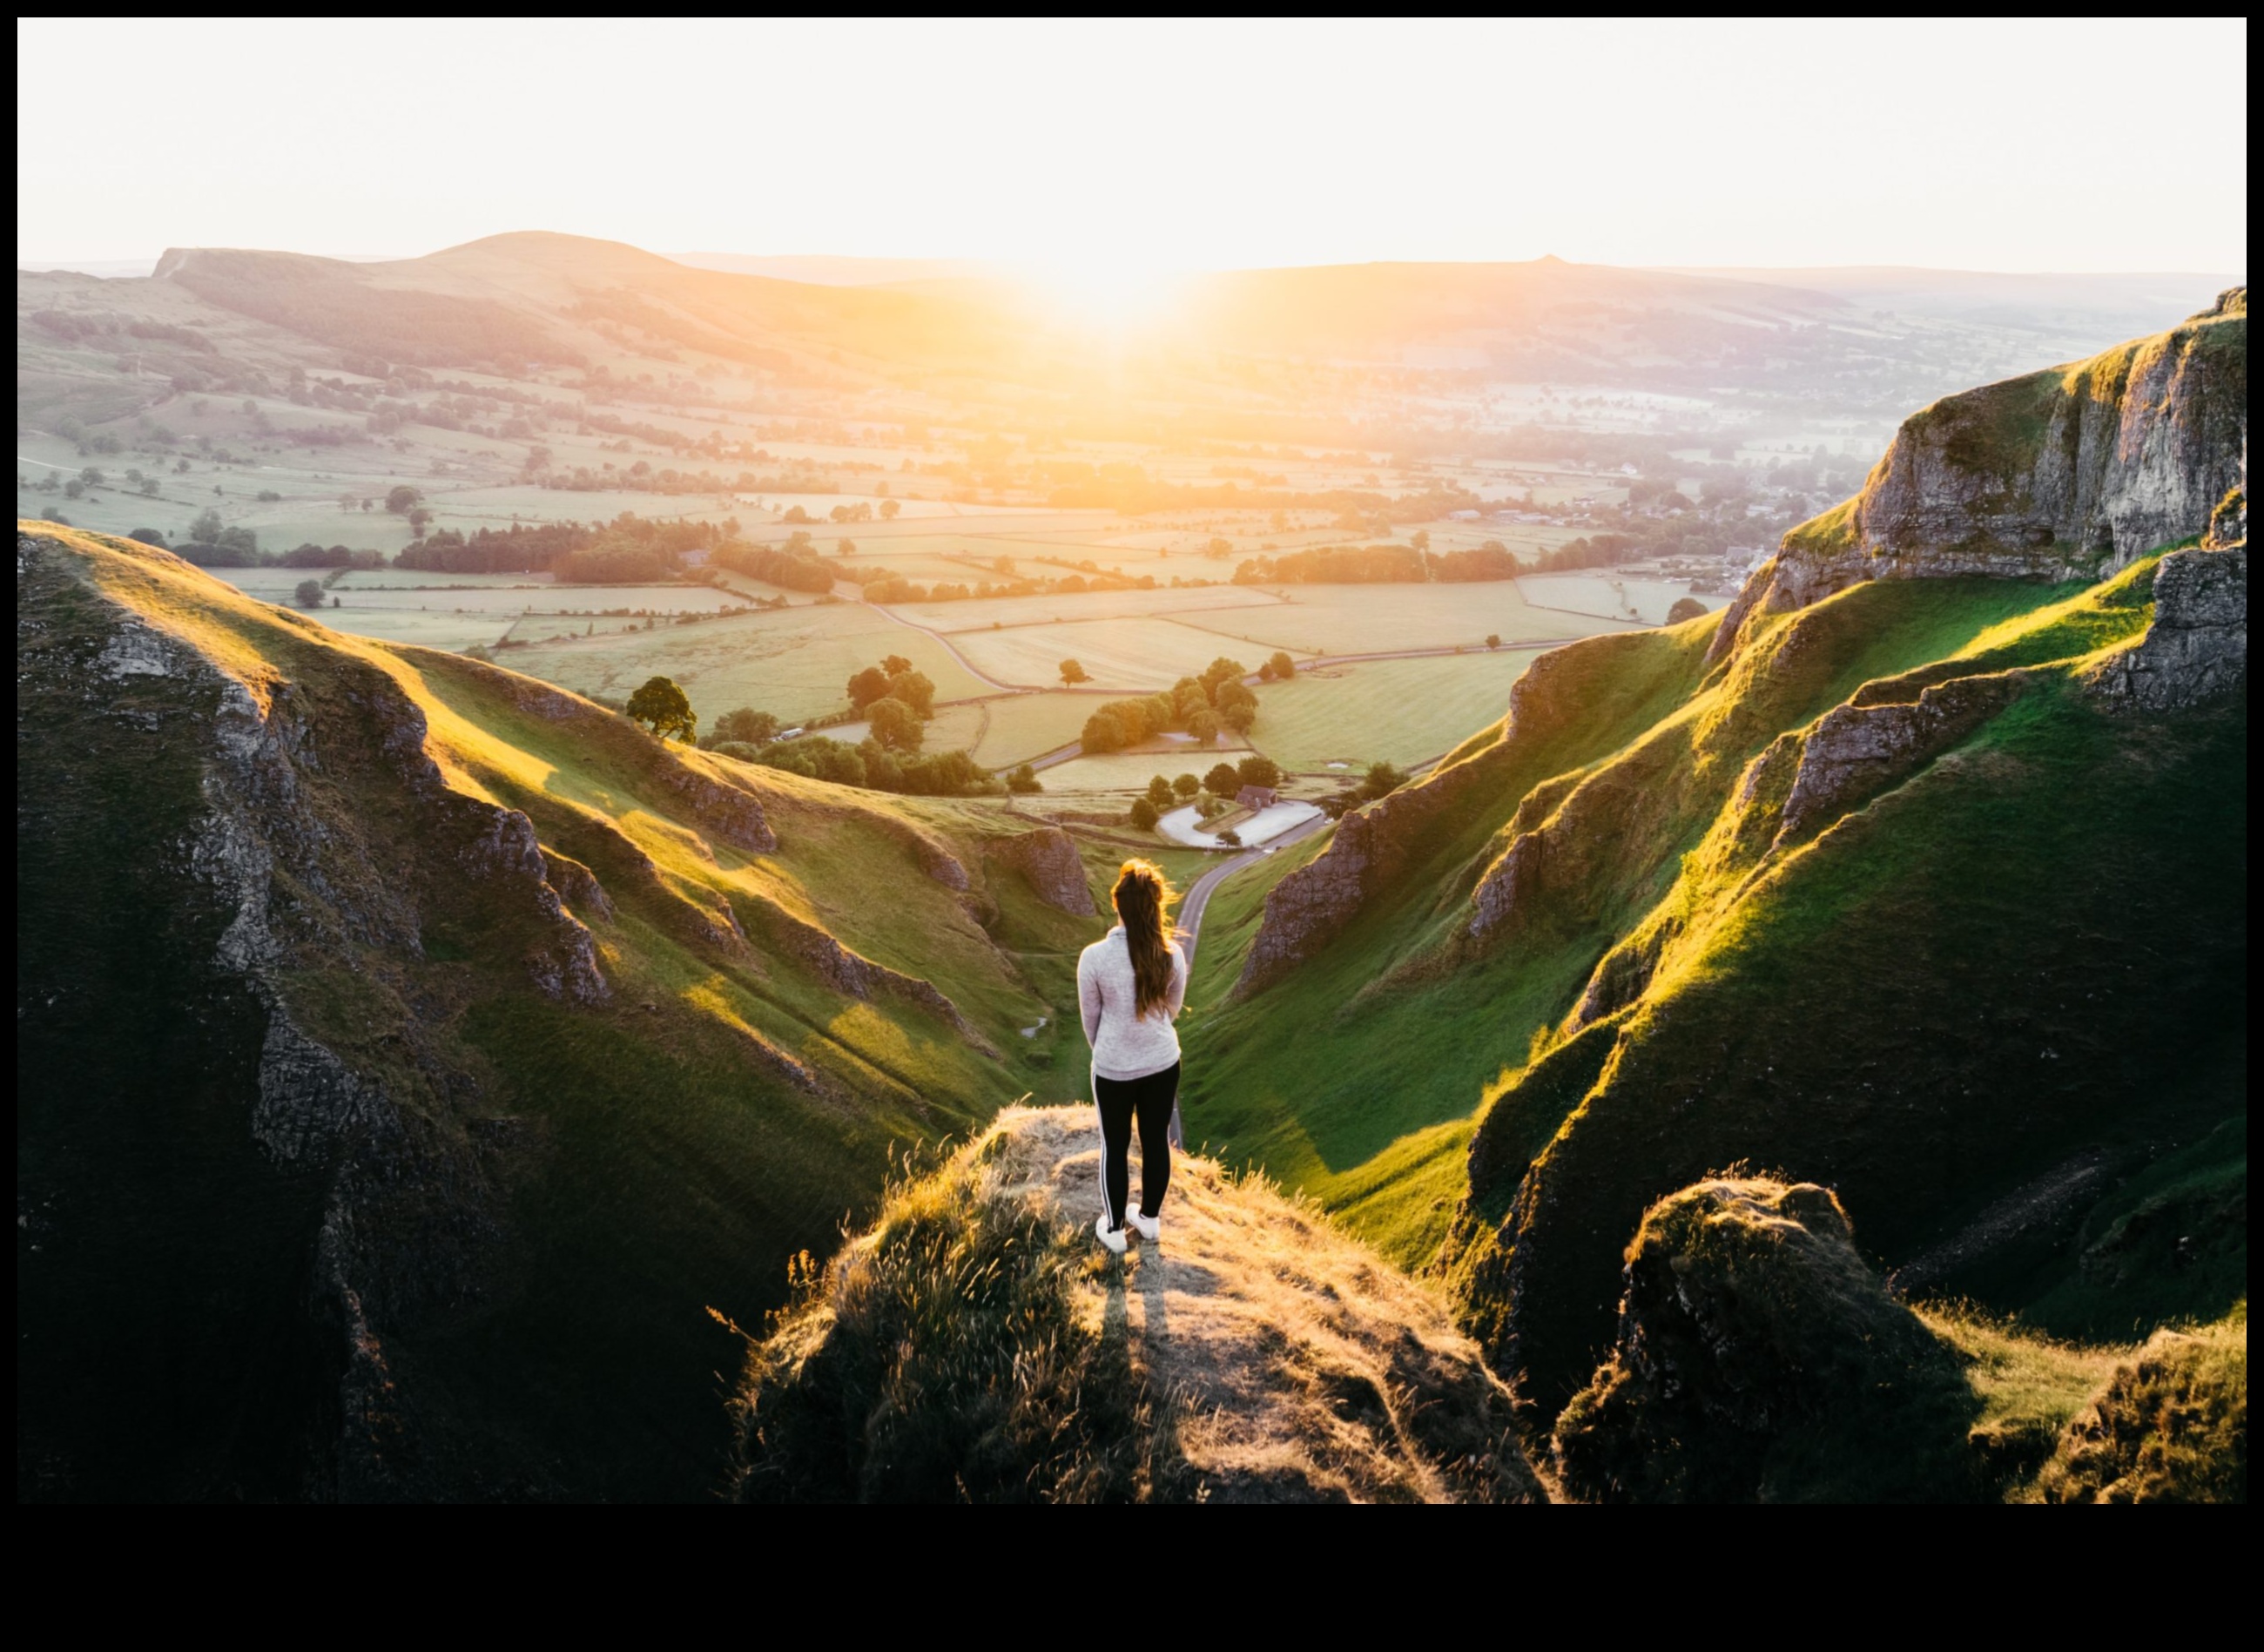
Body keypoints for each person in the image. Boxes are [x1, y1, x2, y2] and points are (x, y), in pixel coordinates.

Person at [1076, 859, 1189, 1255]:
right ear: (1155, 907)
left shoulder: (1093, 958)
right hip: (1162, 1060)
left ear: (1117, 906)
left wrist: (1110, 1049)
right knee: (1156, 1139)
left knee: (1115, 1144)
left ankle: (1113, 1228)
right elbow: (1173, 1007)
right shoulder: (1171, 953)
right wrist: (1147, 1035)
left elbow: (1091, 1020)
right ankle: (1151, 1220)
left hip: (1113, 1069)